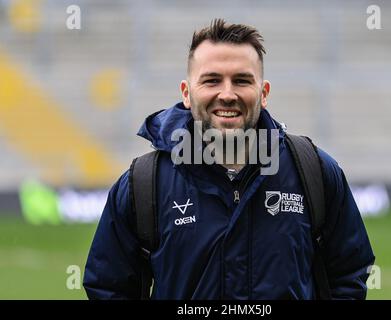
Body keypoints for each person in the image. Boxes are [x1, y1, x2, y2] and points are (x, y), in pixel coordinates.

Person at [83, 18, 375, 300]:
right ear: (187, 93)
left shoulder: (314, 172)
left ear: (264, 93)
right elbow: (108, 284)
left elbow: (349, 274)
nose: (227, 94)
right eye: (211, 80)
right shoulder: (143, 183)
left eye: (242, 80)